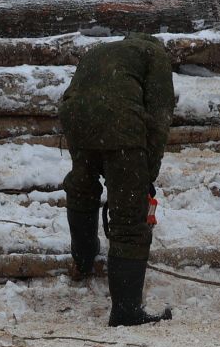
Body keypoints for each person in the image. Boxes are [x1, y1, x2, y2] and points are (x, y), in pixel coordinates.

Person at [58, 33, 176, 326]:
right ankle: (126, 310)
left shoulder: (102, 49)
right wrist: (146, 174)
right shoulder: (156, 56)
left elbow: (80, 92)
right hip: (121, 122)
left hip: (76, 117)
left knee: (82, 186)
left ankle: (83, 261)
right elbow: (160, 118)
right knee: (129, 216)